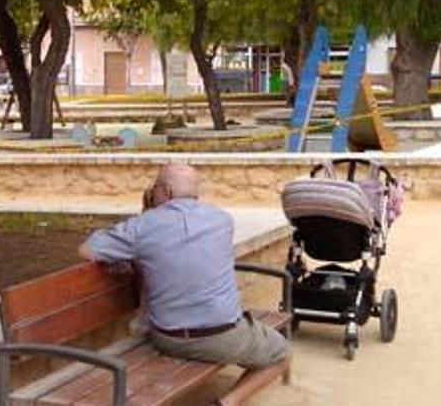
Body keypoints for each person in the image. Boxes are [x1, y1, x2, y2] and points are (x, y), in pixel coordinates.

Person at [77, 164, 291, 406]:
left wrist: (130, 253)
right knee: (281, 353)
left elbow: (86, 250)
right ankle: (228, 402)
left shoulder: (142, 226)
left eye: (155, 186)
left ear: (165, 191)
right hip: (223, 336)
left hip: (168, 337)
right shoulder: (222, 220)